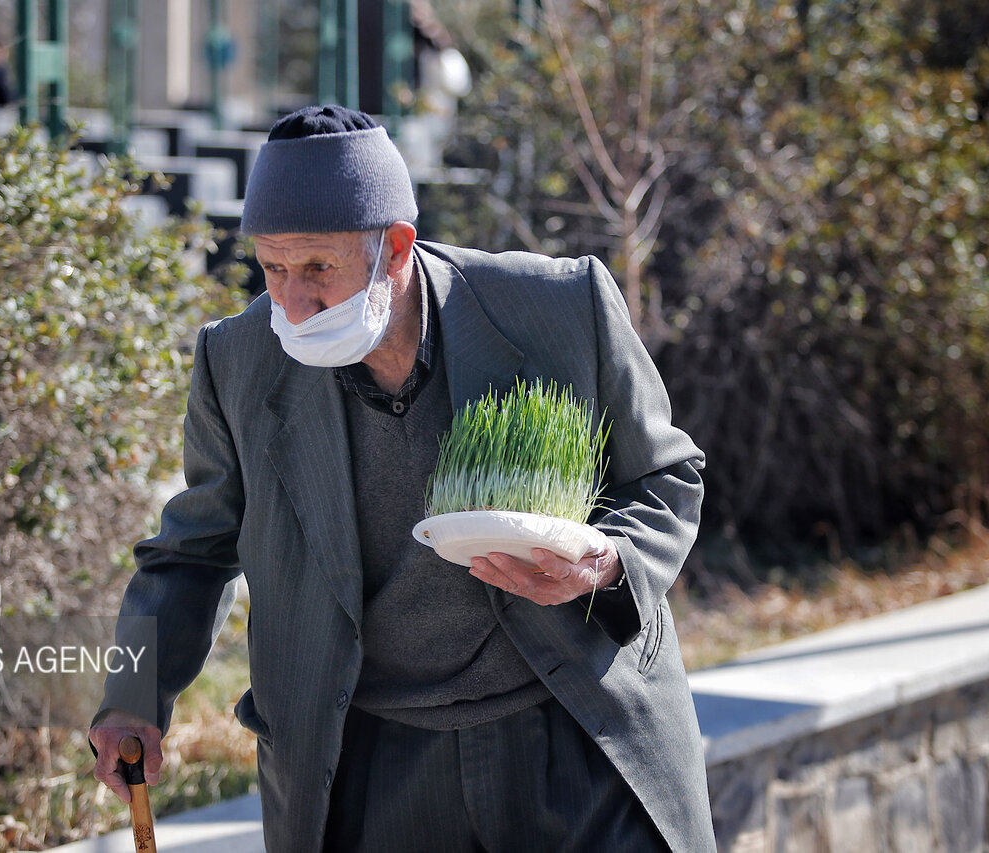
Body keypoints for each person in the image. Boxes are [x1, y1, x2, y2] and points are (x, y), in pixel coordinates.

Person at [90, 105, 714, 852]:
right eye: (273, 267)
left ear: (394, 248)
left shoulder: (557, 305)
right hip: (374, 764)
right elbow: (193, 552)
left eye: (318, 267)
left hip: (574, 730)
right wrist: (133, 698)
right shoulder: (237, 360)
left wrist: (610, 563)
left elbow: (667, 476)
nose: (291, 299)